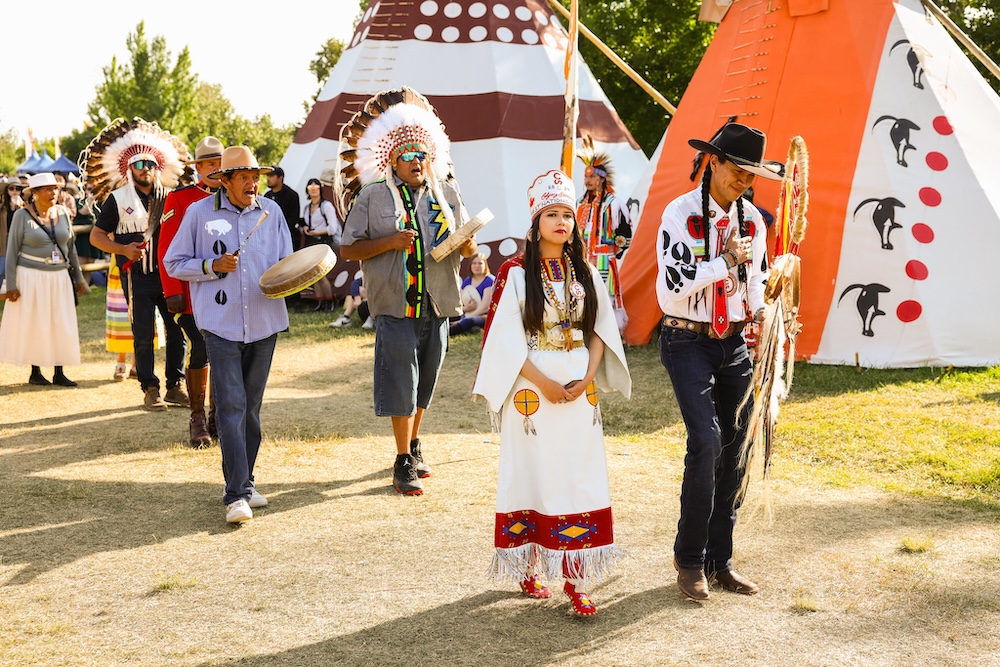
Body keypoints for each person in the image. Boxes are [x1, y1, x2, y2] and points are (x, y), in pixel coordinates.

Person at [472, 169, 631, 617]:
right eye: (552, 214)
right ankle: (528, 562)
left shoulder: (584, 271)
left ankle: (577, 578)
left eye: (567, 214)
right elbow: (503, 341)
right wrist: (543, 382)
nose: (562, 221)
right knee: (534, 475)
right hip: (532, 393)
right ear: (536, 220)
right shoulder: (516, 274)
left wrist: (587, 377)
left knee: (579, 477)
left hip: (581, 392)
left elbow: (599, 331)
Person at [655, 122, 777, 601]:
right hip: (686, 339)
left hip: (734, 343)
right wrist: (724, 262)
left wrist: (770, 316)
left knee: (739, 446)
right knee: (706, 440)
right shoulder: (679, 214)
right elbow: (671, 286)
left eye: (751, 175)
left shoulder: (753, 221)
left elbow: (754, 285)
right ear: (714, 162)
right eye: (737, 170)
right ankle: (688, 559)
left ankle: (719, 558)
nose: (743, 182)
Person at [338, 88, 477, 496]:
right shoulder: (373, 196)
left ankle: (414, 444)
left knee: (426, 380)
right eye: (409, 156)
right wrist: (388, 242)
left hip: (437, 300)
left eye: (422, 155)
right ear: (393, 161)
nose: (418, 162)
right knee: (401, 379)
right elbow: (348, 247)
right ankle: (402, 460)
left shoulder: (446, 193)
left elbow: (468, 244)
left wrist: (468, 244)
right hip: (395, 302)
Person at [163, 146, 292, 524]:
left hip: (266, 324)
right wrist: (211, 265)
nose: (253, 183)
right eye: (245, 178)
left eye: (256, 177)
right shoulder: (198, 213)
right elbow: (174, 262)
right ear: (225, 180)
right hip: (220, 325)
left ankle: (246, 484)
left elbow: (285, 264)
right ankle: (235, 495)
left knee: (250, 409)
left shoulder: (273, 212)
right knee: (232, 406)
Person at [87, 119, 190, 412]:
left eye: (150, 163)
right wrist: (122, 249)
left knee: (176, 331)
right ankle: (150, 388)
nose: (145, 168)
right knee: (143, 334)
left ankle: (175, 385)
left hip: (169, 276)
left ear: (158, 165)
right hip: (137, 279)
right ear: (129, 168)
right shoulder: (118, 200)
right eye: (139, 163)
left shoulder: (170, 198)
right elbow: (96, 237)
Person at [158, 136, 224, 448]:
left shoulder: (233, 196)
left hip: (225, 292)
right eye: (209, 163)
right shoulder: (180, 198)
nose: (215, 168)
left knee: (222, 352)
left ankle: (217, 417)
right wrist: (172, 291)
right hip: (190, 293)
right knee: (200, 348)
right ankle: (197, 417)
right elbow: (166, 249)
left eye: (219, 162)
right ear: (197, 167)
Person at [0, 172, 87, 386]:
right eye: (48, 189)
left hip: (59, 276)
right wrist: (11, 285)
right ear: (35, 193)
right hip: (30, 276)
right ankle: (35, 371)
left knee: (61, 321)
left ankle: (59, 371)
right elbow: (11, 252)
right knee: (35, 322)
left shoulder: (63, 213)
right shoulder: (22, 216)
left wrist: (79, 278)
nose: (53, 192)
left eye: (56, 188)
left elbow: (70, 248)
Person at [575, 138, 633, 329]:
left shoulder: (613, 205)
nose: (587, 181)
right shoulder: (580, 205)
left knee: (606, 296)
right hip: (583, 258)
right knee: (584, 294)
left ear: (601, 179)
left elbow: (626, 233)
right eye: (585, 177)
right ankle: (587, 329)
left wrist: (615, 252)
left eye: (591, 177)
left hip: (604, 259)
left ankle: (611, 332)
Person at [301, 177, 341, 311]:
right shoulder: (307, 207)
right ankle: (320, 301)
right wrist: (305, 229)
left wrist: (317, 232)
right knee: (313, 274)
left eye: (316, 186)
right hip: (311, 242)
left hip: (323, 241)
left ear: (320, 189)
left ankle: (329, 302)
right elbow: (306, 223)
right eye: (310, 186)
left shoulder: (326, 206)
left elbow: (332, 228)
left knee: (321, 273)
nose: (313, 188)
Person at [449, 252, 493, 335]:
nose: (477, 266)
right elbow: (460, 302)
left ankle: (450, 332)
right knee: (450, 316)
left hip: (484, 315)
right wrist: (466, 309)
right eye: (474, 263)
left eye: (480, 263)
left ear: (485, 265)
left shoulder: (489, 281)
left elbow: (484, 307)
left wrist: (464, 318)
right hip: (468, 312)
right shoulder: (468, 281)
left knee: (469, 321)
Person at [264, 166, 303, 250]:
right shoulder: (267, 196)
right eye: (268, 176)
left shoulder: (291, 195)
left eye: (271, 176)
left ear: (280, 178)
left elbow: (293, 219)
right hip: (268, 239)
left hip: (286, 239)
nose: (268, 179)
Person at [1, 176, 27, 284]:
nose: (15, 191)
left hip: (20, 241)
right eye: (11, 189)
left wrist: (19, 208)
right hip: (4, 241)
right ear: (7, 191)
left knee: (20, 269)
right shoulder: (2, 208)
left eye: (18, 189)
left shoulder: (26, 208)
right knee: (2, 270)